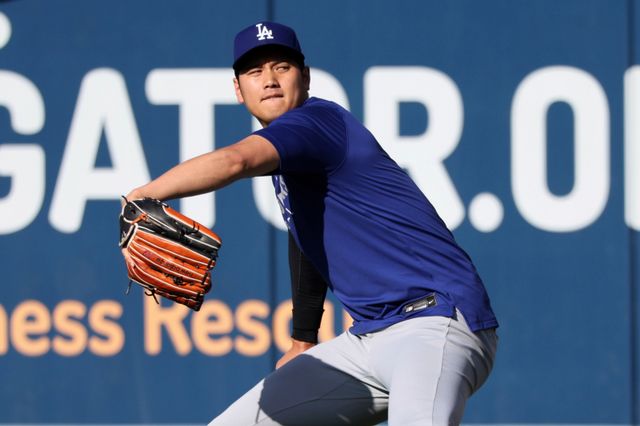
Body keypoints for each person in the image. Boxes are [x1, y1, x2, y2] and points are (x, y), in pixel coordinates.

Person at [123, 21, 498, 425]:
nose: (269, 80)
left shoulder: (317, 122)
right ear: (238, 89)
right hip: (367, 340)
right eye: (255, 71)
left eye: (281, 67)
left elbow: (235, 161)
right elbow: (308, 235)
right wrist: (303, 338)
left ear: (305, 77)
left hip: (435, 323)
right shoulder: (293, 163)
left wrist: (143, 194)